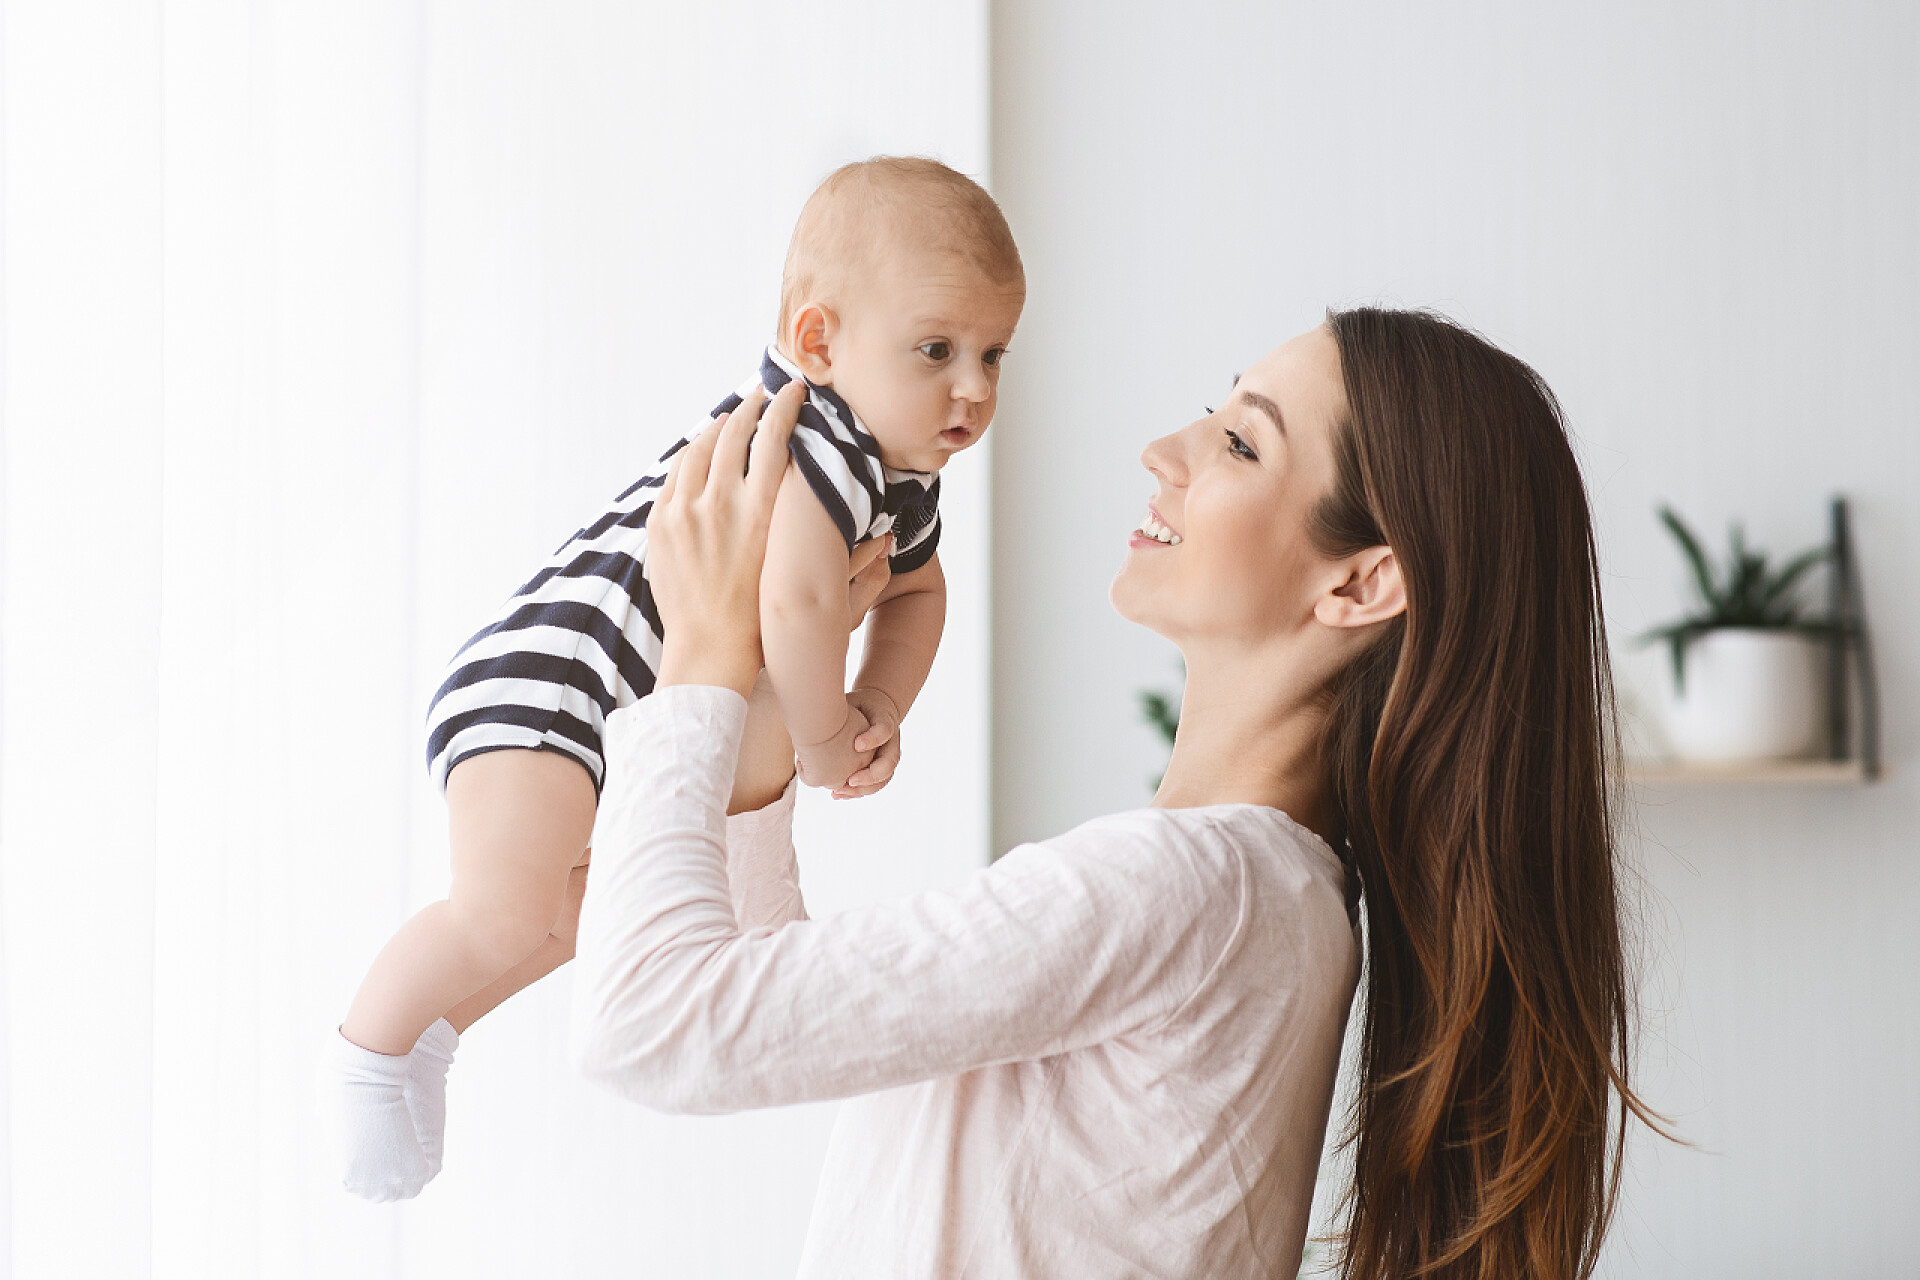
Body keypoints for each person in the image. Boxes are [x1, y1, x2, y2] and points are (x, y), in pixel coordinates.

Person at [570, 308, 1659, 1278]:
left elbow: (650, 1021)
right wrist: (763, 722)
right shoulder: (1265, 899)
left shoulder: (1191, 888)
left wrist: (702, 661)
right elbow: (781, 1014)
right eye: (1212, 413)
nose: (1166, 452)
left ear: (1361, 580)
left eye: (1238, 441)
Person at [328, 156, 1026, 1201]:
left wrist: (885, 699)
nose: (972, 387)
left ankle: (432, 1034)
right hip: (549, 688)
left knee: (575, 922)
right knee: (507, 909)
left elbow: (917, 596)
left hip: (606, 719)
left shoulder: (899, 475)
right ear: (818, 341)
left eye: (993, 354)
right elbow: (794, 607)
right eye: (936, 349)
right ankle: (368, 1055)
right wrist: (832, 731)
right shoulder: (817, 441)